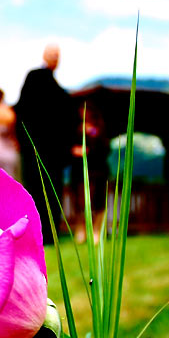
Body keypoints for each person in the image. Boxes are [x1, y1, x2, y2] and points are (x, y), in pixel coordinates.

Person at [13, 44, 78, 244]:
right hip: (36, 149)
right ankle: (37, 234)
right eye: (52, 55)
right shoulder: (35, 78)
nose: (55, 58)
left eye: (58, 55)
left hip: (54, 152)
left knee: (52, 190)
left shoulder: (57, 89)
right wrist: (24, 142)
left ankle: (50, 234)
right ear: (44, 56)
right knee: (36, 190)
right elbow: (22, 111)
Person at [70, 103, 109, 243]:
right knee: (81, 202)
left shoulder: (99, 129)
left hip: (97, 170)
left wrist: (89, 151)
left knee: (98, 201)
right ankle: (81, 230)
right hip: (80, 171)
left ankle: (97, 230)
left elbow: (104, 147)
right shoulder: (76, 128)